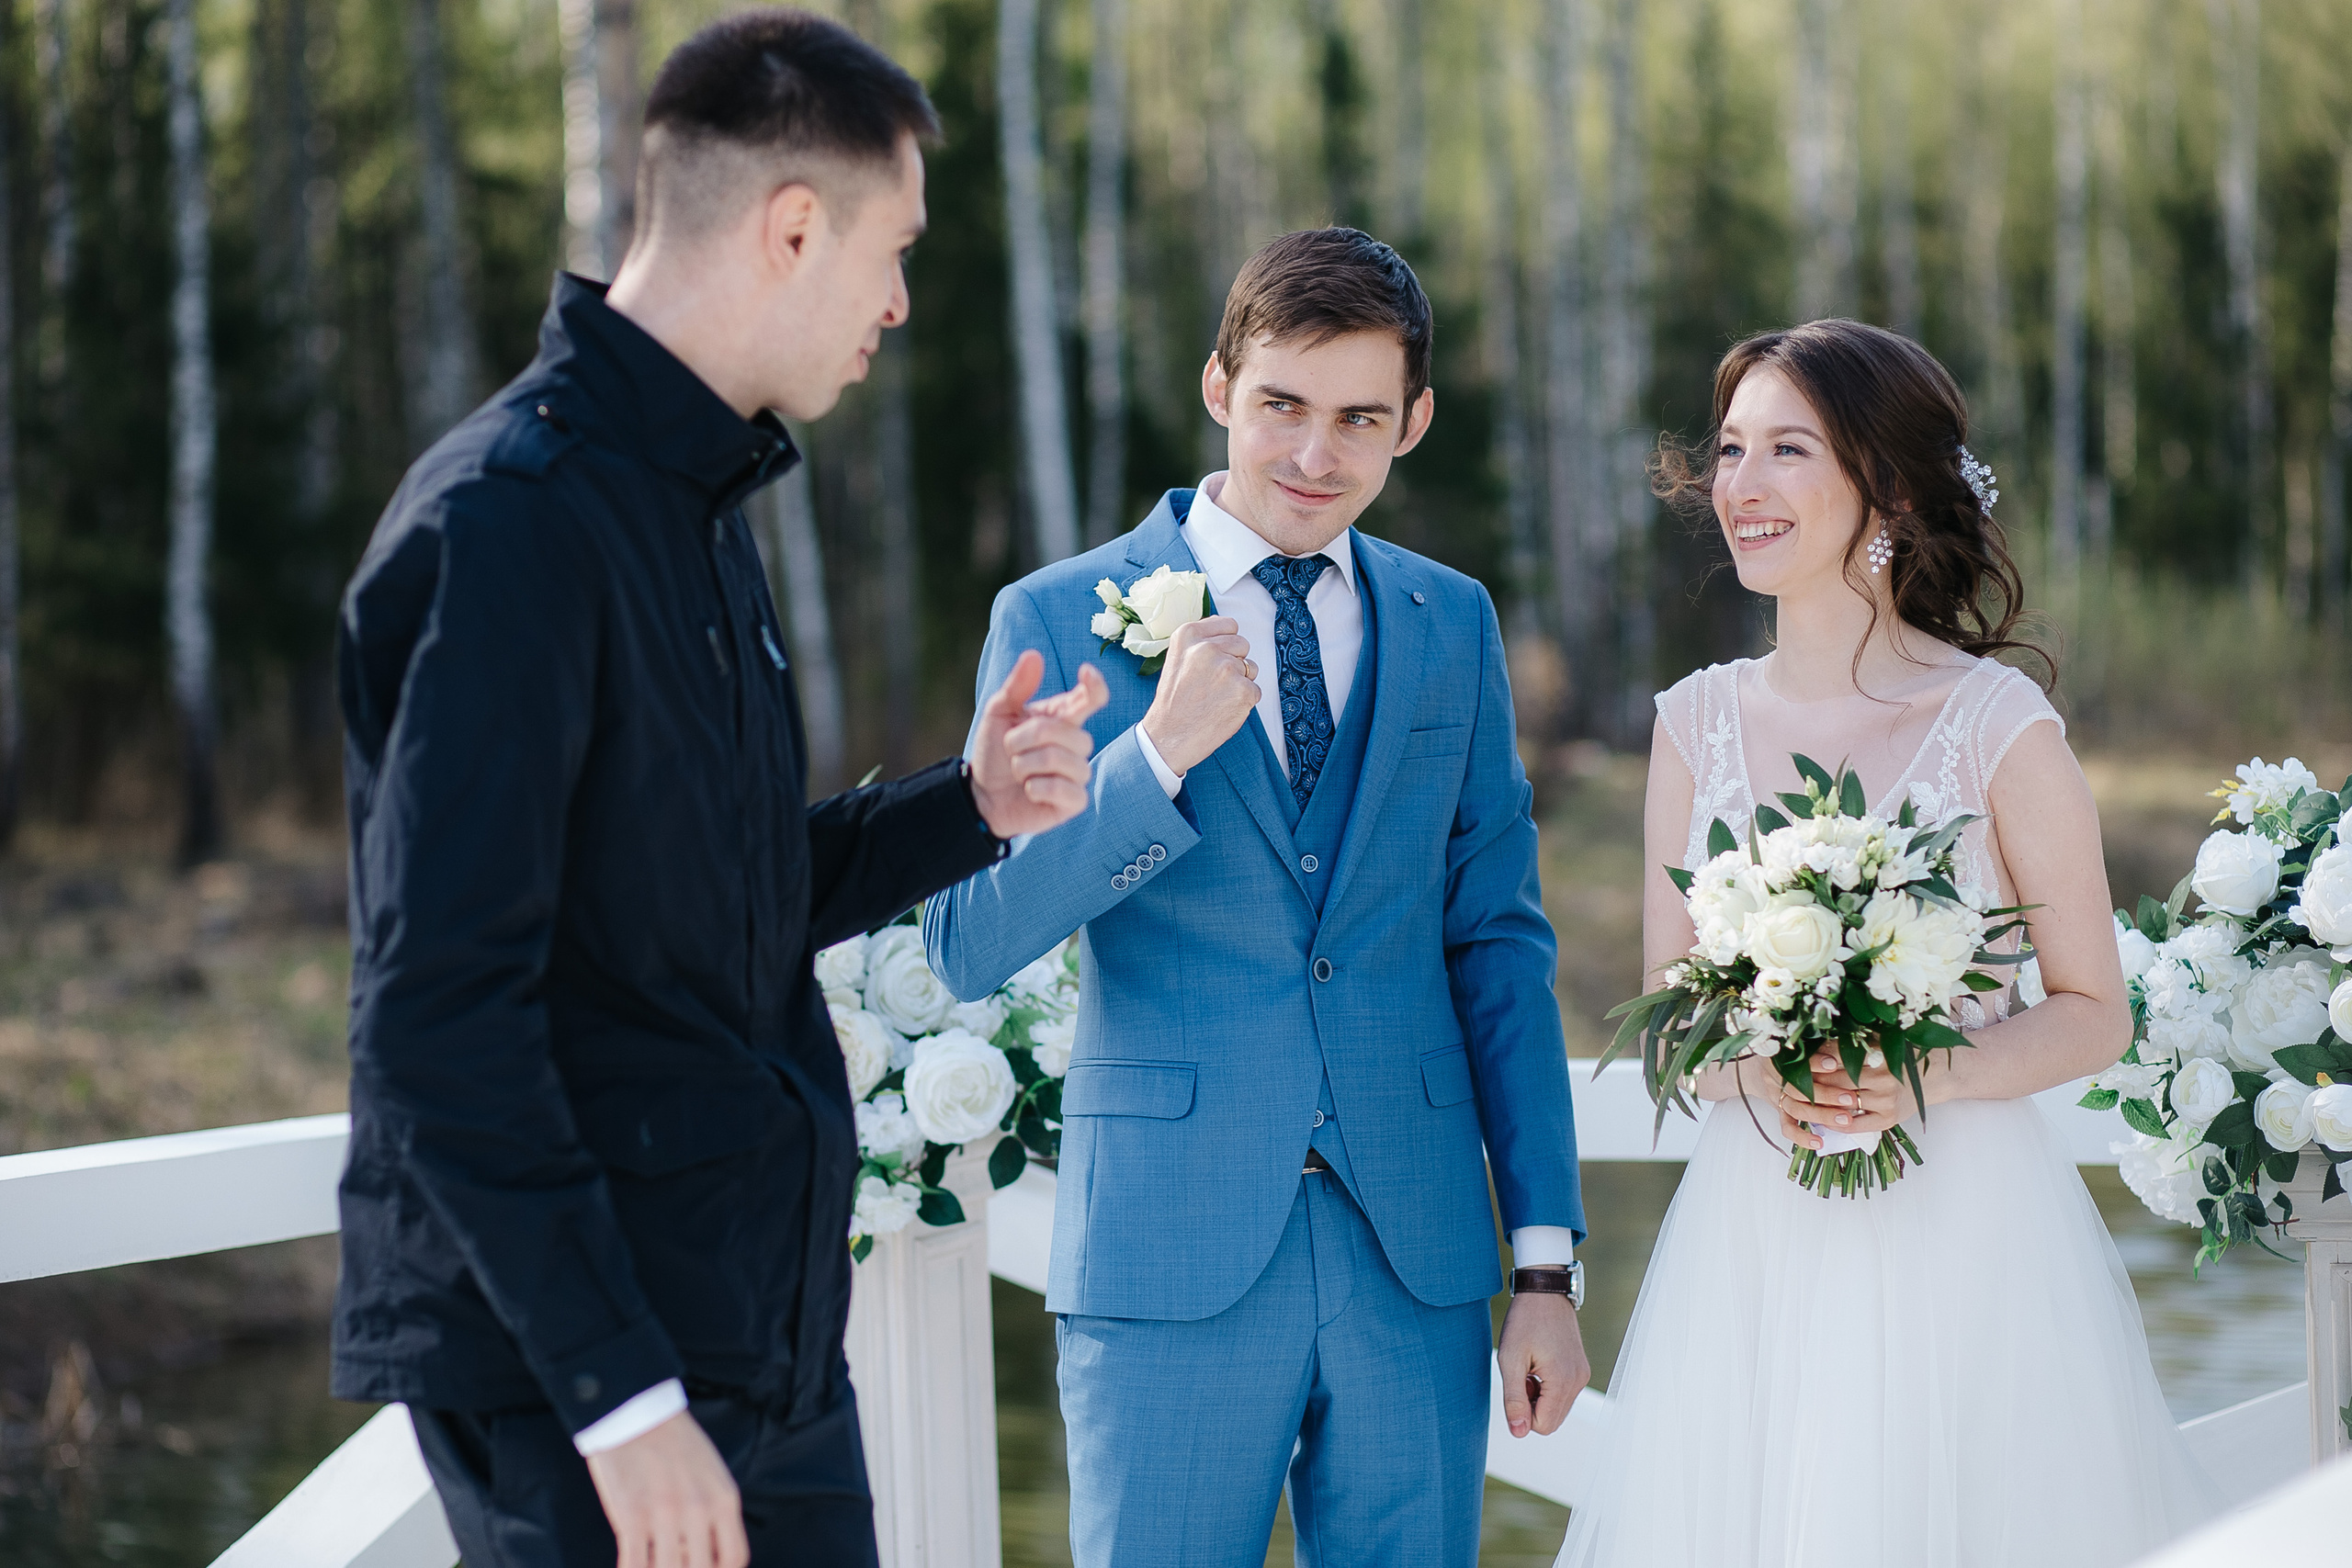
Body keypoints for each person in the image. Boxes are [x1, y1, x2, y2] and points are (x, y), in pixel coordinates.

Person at [330, 12, 1106, 1568]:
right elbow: (439, 1015)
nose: (896, 302)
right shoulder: (509, 530)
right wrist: (622, 1403)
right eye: (891, 249)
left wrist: (972, 805)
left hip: (759, 1336)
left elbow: (718, 891)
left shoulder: (700, 509)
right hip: (587, 1377)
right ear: (793, 225)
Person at [926, 226, 1589, 1568]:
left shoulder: (1451, 622)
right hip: (1168, 1256)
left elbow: (1499, 949)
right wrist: (1153, 756)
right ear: (1220, 386)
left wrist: (1544, 1271)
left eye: (1358, 419)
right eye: (1282, 405)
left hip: (1414, 1261)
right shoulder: (1056, 615)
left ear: (1414, 423)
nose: (1313, 456)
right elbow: (966, 943)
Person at [1553, 320, 2222, 1568]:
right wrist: (1763, 1066)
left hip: (1967, 1235)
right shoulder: (1694, 722)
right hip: (1755, 1241)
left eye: (1786, 450)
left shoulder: (1994, 724)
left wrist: (1927, 1070)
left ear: (1891, 491)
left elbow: (2092, 1008)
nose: (1740, 487)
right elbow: (1670, 1012)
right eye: (1732, 450)